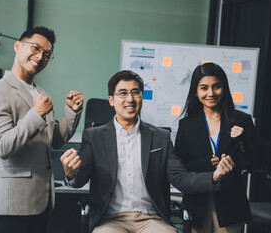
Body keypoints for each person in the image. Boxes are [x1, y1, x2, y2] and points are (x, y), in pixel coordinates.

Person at [60, 70, 236, 233]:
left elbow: (181, 178)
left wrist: (214, 176)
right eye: (123, 93)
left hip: (152, 220)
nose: (130, 99)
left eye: (135, 92)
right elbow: (79, 178)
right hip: (110, 220)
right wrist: (70, 173)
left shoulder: (160, 137)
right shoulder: (94, 136)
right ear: (111, 100)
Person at [0, 26, 83, 233]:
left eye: (47, 54)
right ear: (18, 46)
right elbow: (2, 146)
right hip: (11, 206)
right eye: (36, 48)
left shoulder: (40, 92)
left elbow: (55, 139)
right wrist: (36, 115)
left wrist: (71, 112)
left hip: (41, 202)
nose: (41, 56)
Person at [175, 62, 256, 233]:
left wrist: (241, 141)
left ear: (224, 88)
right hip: (197, 202)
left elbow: (252, 163)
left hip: (231, 201)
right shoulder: (186, 125)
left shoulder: (241, 121)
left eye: (216, 86)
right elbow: (179, 167)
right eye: (204, 88)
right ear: (196, 92)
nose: (211, 93)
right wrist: (206, 163)